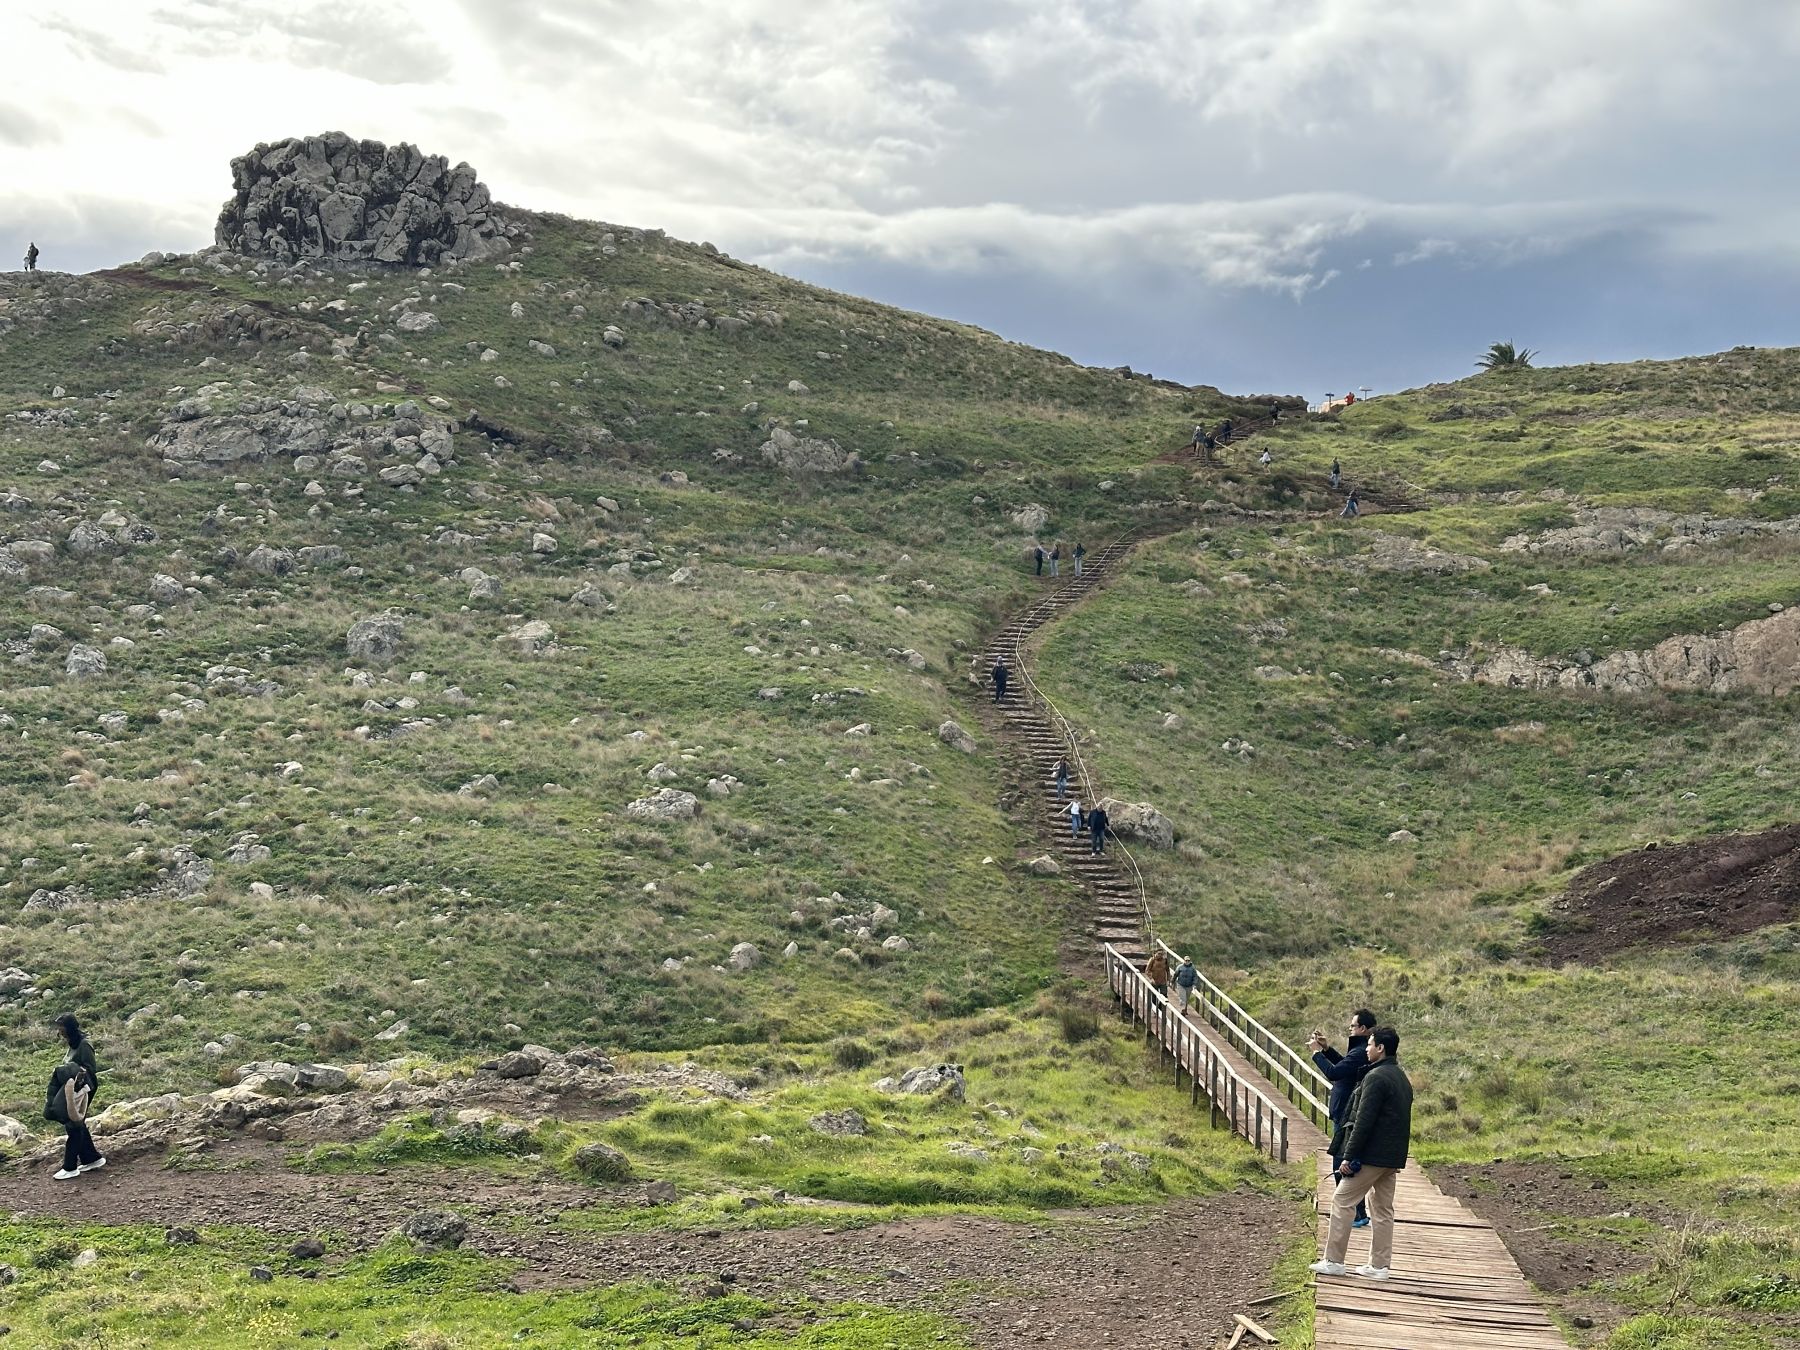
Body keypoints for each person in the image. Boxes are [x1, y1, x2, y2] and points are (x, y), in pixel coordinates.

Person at [1311, 1025, 1412, 1281]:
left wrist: (1349, 1155)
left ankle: (1334, 1261)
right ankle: (1379, 1266)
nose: (1366, 1049)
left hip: (1372, 1155)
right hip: (1392, 1157)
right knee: (1382, 1209)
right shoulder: (1400, 1077)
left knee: (1342, 1200)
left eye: (1369, 1044)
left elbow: (1363, 1121)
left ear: (1381, 1048)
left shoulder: (1376, 1077)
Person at [1309, 1010, 1378, 1228]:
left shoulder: (1359, 1051)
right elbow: (1343, 1066)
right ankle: (1358, 1214)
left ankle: (1352, 1215)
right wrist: (1326, 1049)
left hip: (1346, 1115)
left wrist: (1316, 1054)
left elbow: (1334, 1073)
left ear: (1363, 1029)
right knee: (1346, 1162)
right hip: (1345, 1114)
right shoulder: (1359, 1050)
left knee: (1343, 1163)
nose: (1350, 1029)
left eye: (1353, 1026)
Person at [48, 1012, 104, 1180]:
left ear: (70, 1027)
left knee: (74, 1125)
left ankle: (70, 1167)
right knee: (77, 1123)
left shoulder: (84, 1044)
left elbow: (90, 1069)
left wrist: (72, 1074)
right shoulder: (73, 1043)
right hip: (73, 1088)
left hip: (84, 1088)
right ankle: (92, 1158)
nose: (59, 1030)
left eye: (62, 1027)